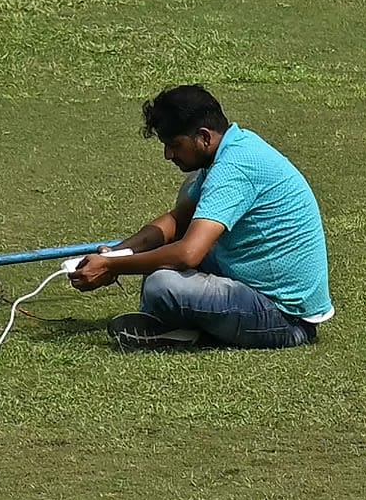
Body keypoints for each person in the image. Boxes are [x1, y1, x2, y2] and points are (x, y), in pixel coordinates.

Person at [70, 84, 333, 349]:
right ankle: (182, 327)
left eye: (174, 145)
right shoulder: (233, 147)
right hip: (256, 285)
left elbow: (188, 254)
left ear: (204, 137)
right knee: (168, 240)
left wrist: (112, 268)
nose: (168, 155)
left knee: (162, 284)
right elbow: (176, 221)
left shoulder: (233, 169)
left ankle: (181, 330)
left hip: (286, 319)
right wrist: (117, 253)